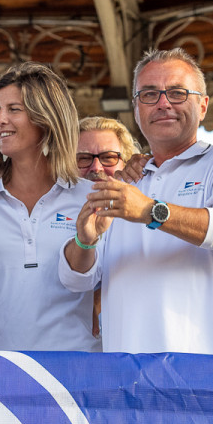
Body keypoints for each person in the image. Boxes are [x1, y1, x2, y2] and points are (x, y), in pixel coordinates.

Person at [59, 47, 213, 354]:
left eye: (177, 93)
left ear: (203, 105)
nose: (163, 103)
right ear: (136, 109)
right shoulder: (125, 183)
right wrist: (85, 241)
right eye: (149, 94)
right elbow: (77, 281)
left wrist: (151, 211)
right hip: (130, 370)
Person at [0, 63, 97, 352]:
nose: (0, 120)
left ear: (46, 118)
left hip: (74, 367)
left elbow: (106, 287)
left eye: (14, 109)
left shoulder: (88, 197)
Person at [77, 116, 140, 338]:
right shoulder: (51, 206)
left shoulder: (143, 211)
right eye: (83, 158)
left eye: (108, 158)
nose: (96, 167)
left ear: (127, 162)